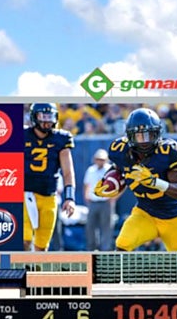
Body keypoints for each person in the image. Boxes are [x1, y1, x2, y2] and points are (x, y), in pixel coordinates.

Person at [101, 107, 177, 251]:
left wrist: (155, 182)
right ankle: (118, 274)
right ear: (130, 136)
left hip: (173, 216)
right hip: (145, 213)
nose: (144, 141)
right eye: (139, 136)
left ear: (157, 133)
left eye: (148, 135)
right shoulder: (121, 151)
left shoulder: (168, 152)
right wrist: (108, 180)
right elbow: (118, 169)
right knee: (122, 245)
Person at [22, 102, 76, 251]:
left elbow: (68, 171)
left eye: (50, 116)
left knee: (41, 247)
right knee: (24, 241)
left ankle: (36, 274)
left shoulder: (61, 138)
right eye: (43, 117)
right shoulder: (21, 135)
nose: (47, 121)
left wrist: (70, 198)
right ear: (34, 117)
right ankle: (19, 271)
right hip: (23, 194)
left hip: (48, 196)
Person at [81, 149, 115, 251]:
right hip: (93, 202)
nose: (100, 161)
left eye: (102, 159)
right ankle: (91, 248)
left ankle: (106, 249)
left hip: (106, 202)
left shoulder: (110, 170)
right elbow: (86, 184)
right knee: (90, 226)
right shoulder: (90, 170)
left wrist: (113, 198)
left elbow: (120, 186)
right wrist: (86, 197)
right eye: (98, 159)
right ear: (94, 159)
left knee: (106, 227)